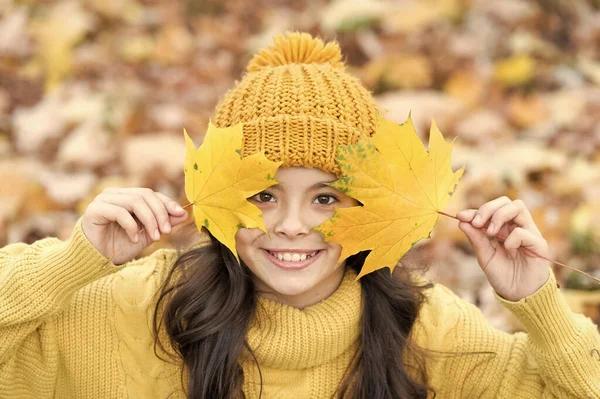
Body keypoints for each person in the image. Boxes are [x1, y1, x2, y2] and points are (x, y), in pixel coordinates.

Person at [1, 31, 599, 399]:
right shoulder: (138, 309)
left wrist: (539, 304)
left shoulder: (428, 332)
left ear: (372, 205)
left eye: (326, 197)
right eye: (262, 195)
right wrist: (74, 264)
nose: (291, 224)